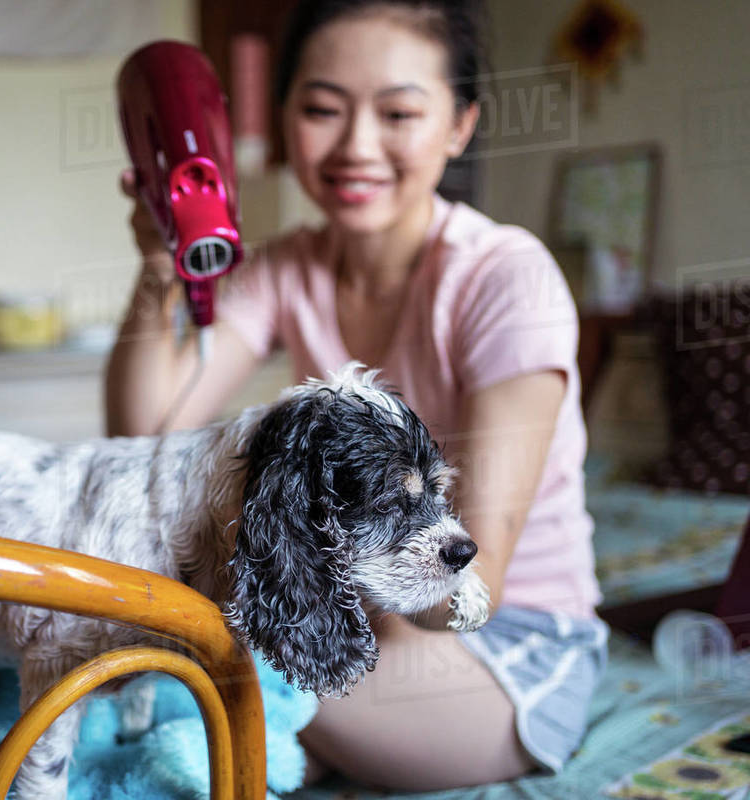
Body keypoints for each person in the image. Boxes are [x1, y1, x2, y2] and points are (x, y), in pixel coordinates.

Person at [105, 0, 608, 792]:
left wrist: (272, 602)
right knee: (155, 647)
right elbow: (144, 434)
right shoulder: (286, 268)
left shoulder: (506, 279)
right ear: (285, 119)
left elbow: (471, 583)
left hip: (501, 642)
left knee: (176, 668)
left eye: (399, 112)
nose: (356, 147)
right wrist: (160, 266)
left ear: (459, 125)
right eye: (321, 109)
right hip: (368, 614)